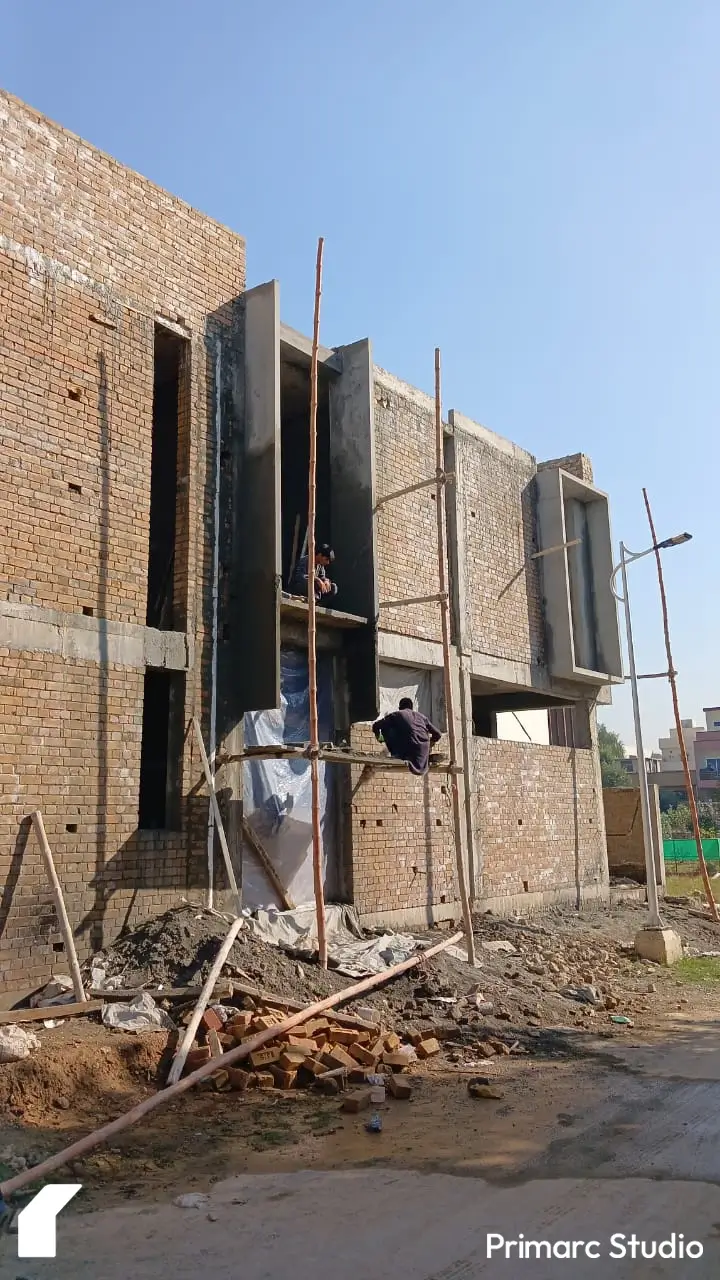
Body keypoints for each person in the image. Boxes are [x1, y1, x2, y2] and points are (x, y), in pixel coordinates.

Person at [372, 697, 442, 777]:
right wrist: (430, 743)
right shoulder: (422, 717)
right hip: (422, 754)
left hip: (407, 751)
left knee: (386, 727)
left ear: (400, 707)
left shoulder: (397, 714)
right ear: (412, 708)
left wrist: (379, 738)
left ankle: (396, 753)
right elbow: (438, 734)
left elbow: (376, 726)